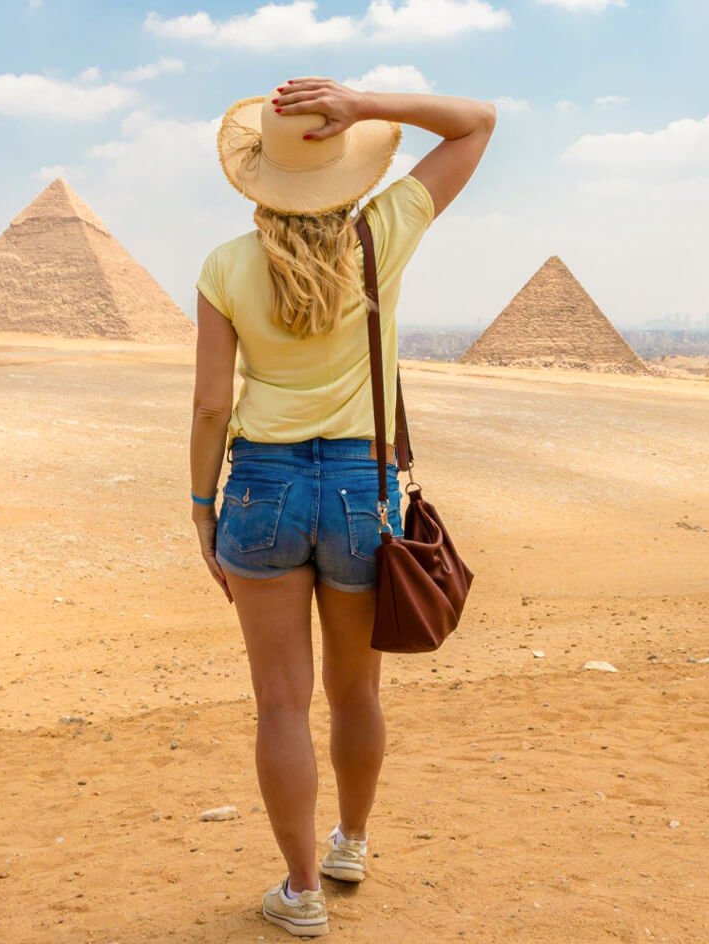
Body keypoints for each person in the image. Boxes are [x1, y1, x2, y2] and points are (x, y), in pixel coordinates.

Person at [189, 76, 495, 937]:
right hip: (363, 489)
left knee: (280, 705)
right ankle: (351, 843)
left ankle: (301, 892)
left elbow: (213, 404)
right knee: (355, 696)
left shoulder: (224, 266)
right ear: (345, 168)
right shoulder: (385, 233)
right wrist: (366, 103)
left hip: (260, 487)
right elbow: (477, 122)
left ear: (261, 177)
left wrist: (199, 504)